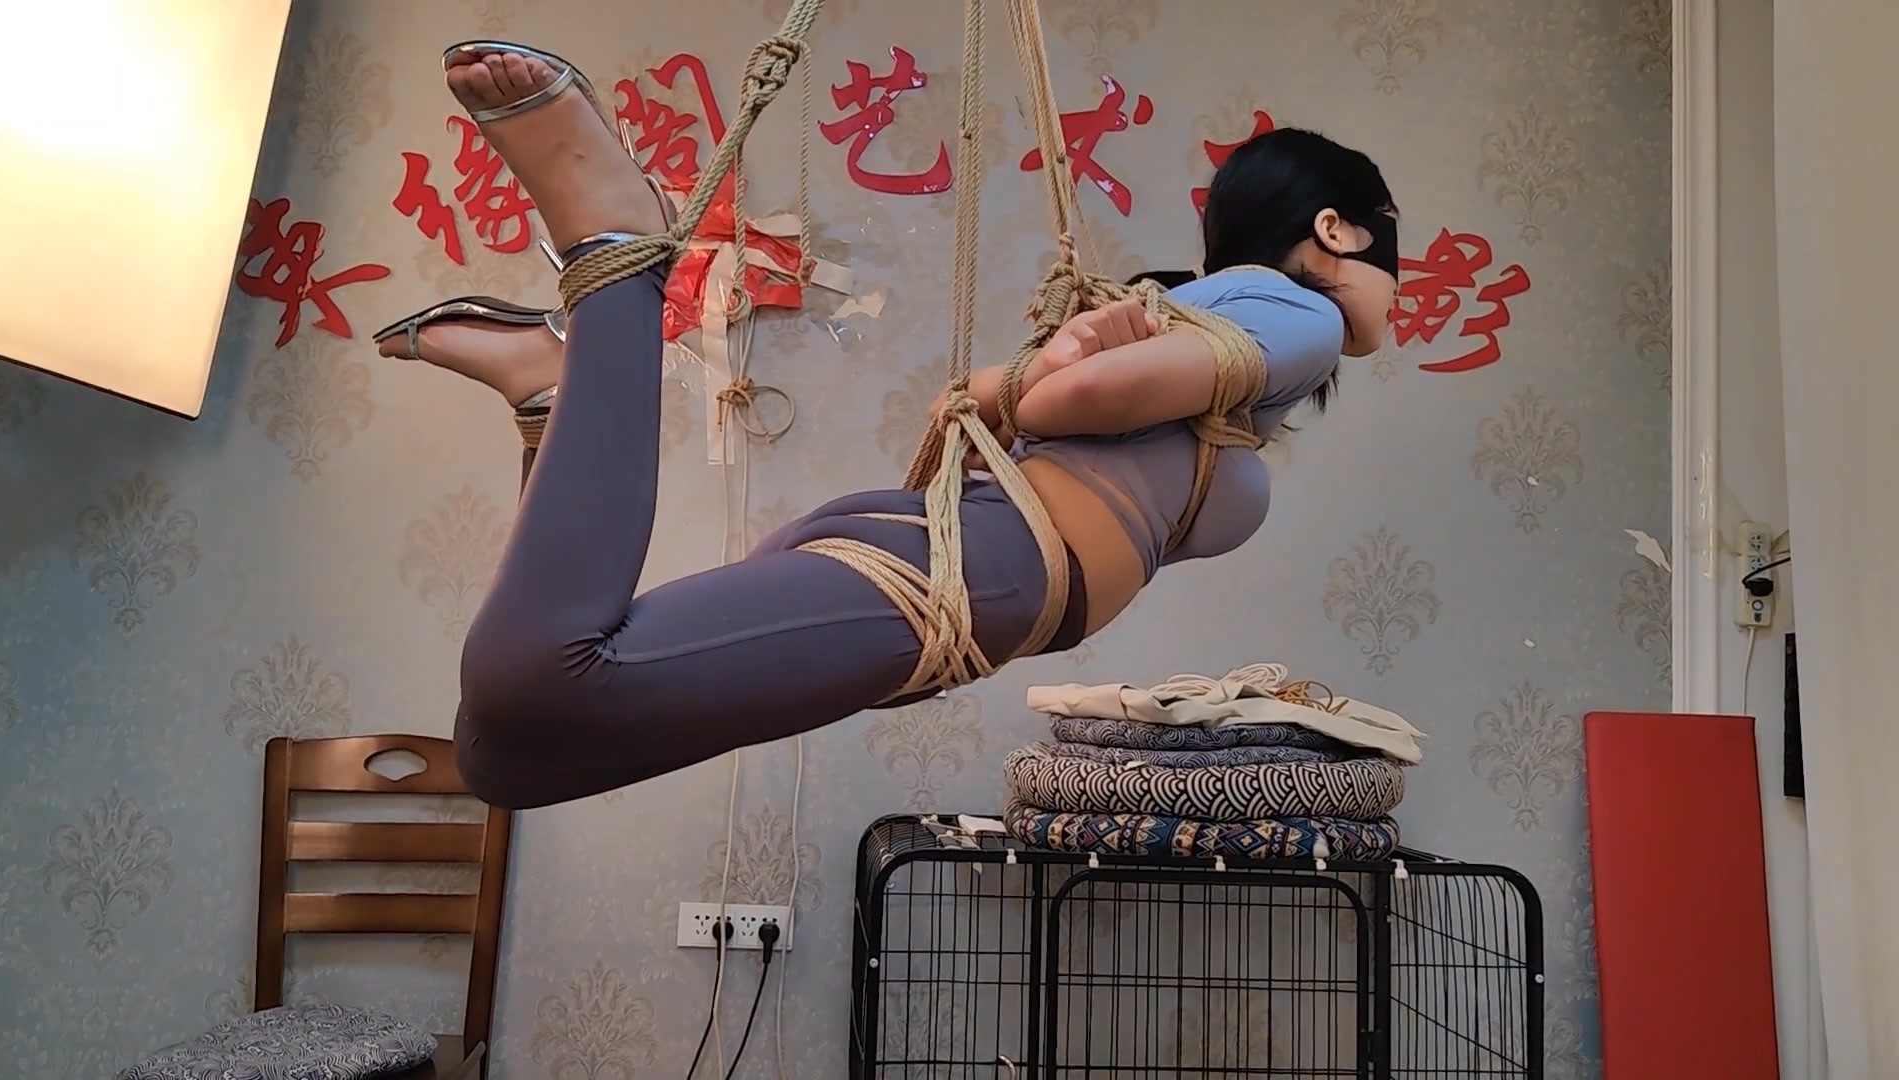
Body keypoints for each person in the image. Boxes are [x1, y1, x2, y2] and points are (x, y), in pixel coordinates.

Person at [373, 42, 1401, 810]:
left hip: (957, 565)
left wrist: (1070, 361)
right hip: (980, 569)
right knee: (530, 695)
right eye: (1389, 239)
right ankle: (616, 258)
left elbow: (986, 396)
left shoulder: (1216, 354)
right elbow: (1058, 401)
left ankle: (554, 393)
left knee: (508, 761)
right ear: (1338, 228)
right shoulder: (1301, 317)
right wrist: (1072, 368)